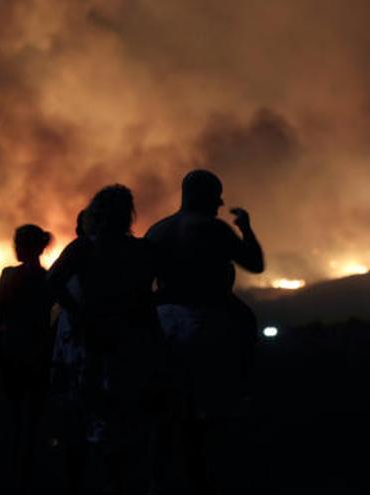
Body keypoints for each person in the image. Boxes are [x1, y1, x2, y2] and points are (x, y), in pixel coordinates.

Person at [145, 169, 264, 495]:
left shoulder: (157, 231)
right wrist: (246, 229)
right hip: (209, 320)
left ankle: (159, 480)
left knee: (164, 412)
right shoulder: (213, 229)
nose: (220, 203)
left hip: (163, 321)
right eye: (216, 195)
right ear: (203, 195)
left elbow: (144, 281)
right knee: (205, 415)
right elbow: (254, 263)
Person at [48, 185, 164, 495]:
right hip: (129, 344)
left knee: (84, 423)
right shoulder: (142, 251)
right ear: (129, 214)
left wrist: (79, 315)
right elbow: (152, 296)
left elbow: (52, 283)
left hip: (94, 344)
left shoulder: (83, 248)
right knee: (123, 429)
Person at [0, 224, 54, 495]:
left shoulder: (8, 275)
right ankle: (30, 472)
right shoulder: (49, 278)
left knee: (12, 414)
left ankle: (9, 473)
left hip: (12, 350)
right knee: (34, 417)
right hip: (39, 351)